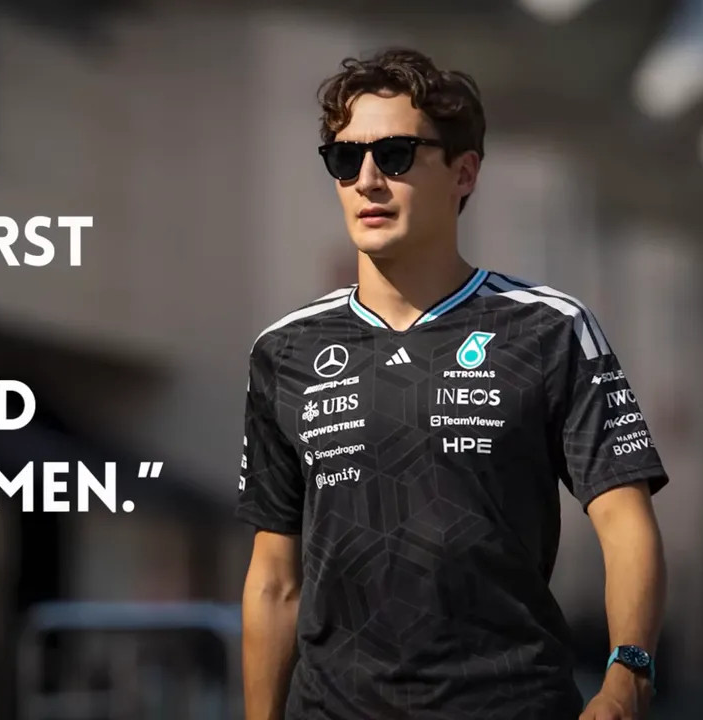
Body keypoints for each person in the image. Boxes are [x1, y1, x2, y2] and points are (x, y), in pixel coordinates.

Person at [235, 48, 669, 720]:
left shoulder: (551, 329)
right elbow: (273, 580)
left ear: (464, 173)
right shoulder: (283, 351)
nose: (369, 180)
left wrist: (628, 674)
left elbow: (624, 519)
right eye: (346, 159)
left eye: (398, 155)